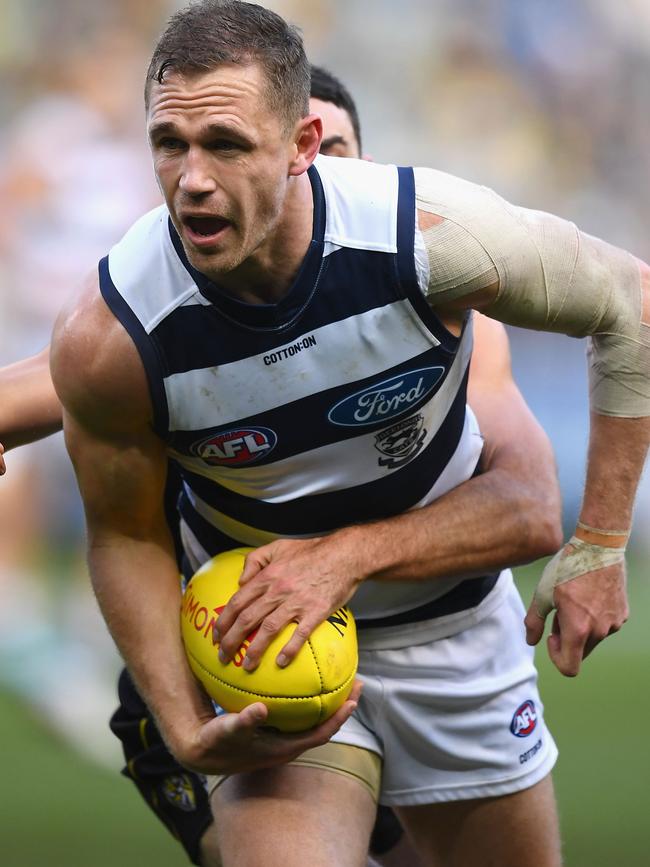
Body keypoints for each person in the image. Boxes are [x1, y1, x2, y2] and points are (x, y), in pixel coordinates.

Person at [24, 0, 650, 860]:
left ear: (303, 147)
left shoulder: (428, 241)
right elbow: (125, 529)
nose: (192, 179)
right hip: (260, 640)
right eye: (170, 143)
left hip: (453, 626)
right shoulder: (111, 333)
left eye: (227, 145)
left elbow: (631, 304)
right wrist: (179, 722)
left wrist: (602, 541)